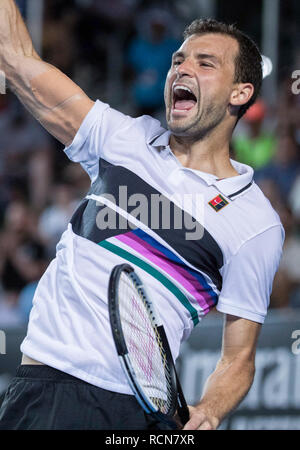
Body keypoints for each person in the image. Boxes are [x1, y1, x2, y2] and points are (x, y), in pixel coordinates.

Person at [0, 0, 284, 431]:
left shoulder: (255, 224)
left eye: (204, 63)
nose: (182, 69)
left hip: (142, 417)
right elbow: (19, 63)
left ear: (240, 92)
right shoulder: (122, 139)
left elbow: (238, 357)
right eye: (178, 60)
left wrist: (210, 408)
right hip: (48, 389)